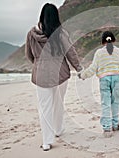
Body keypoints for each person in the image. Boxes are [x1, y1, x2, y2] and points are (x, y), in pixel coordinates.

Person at [25, 3, 82, 151]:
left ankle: (47, 141)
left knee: (45, 108)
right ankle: (58, 129)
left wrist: (39, 64)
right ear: (56, 16)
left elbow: (29, 55)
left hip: (41, 74)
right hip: (60, 73)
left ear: (42, 16)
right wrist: (79, 68)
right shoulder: (61, 33)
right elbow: (71, 52)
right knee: (58, 103)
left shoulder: (32, 34)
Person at [78, 31, 119, 137]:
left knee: (105, 103)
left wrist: (83, 75)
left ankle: (107, 129)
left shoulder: (99, 53)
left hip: (104, 80)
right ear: (114, 40)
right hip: (117, 78)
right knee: (115, 102)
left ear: (102, 42)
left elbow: (93, 68)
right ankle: (115, 125)